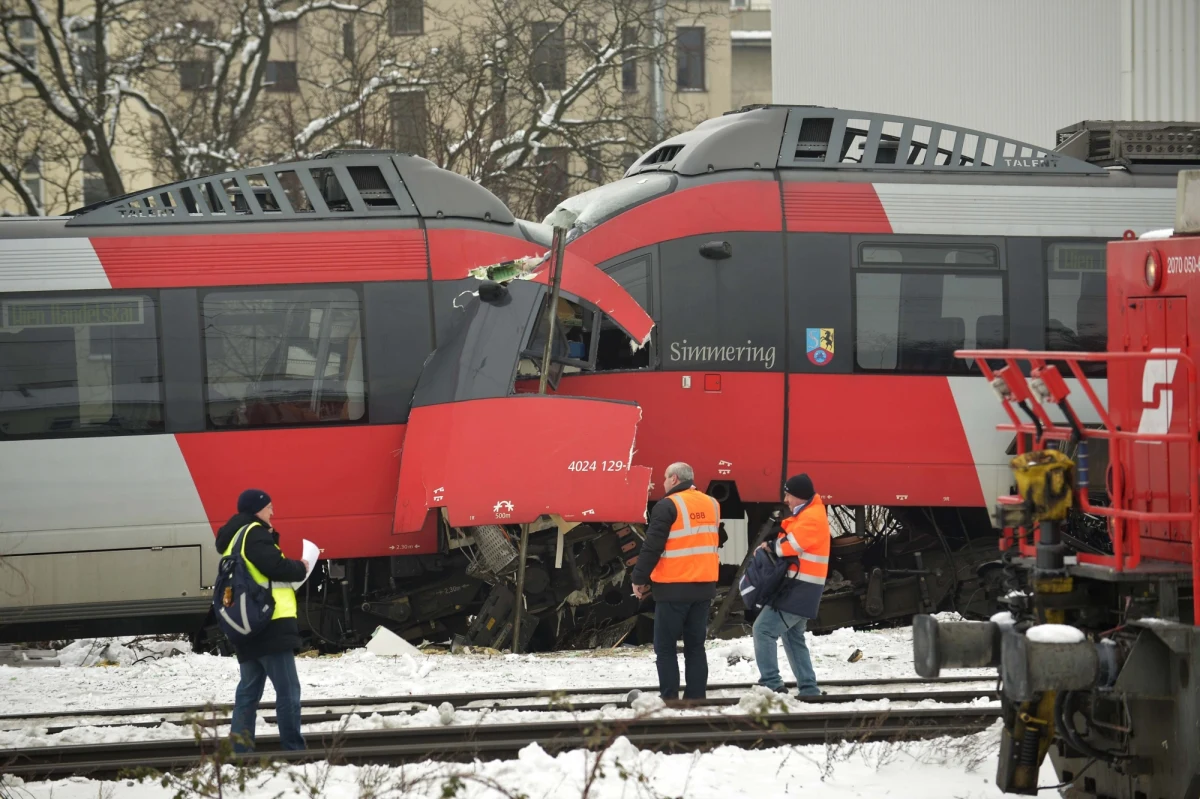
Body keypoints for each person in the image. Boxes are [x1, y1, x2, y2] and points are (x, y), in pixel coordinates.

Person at [214, 489, 310, 752]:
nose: (273, 512)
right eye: (269, 507)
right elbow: (275, 567)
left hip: (249, 626)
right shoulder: (254, 533)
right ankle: (294, 749)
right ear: (257, 510)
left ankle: (240, 752)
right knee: (288, 690)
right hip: (270, 624)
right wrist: (301, 566)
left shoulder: (235, 538)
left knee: (248, 693)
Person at [631, 462, 721, 701]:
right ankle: (696, 698)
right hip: (703, 587)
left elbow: (652, 546)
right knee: (695, 647)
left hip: (673, 589)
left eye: (663, 478)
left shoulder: (667, 505)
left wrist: (639, 578)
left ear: (673, 479)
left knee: (666, 648)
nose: (662, 483)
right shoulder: (712, 503)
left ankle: (669, 698)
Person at [753, 473, 830, 697]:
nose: (786, 499)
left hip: (799, 588)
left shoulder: (812, 517)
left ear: (799, 496)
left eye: (788, 495)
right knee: (793, 636)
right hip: (802, 587)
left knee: (763, 629)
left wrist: (770, 546)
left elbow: (792, 545)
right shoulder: (810, 514)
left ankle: (771, 684)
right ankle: (808, 688)